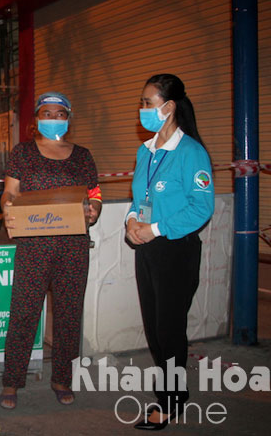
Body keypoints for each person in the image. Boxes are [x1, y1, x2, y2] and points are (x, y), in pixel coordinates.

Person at [0, 92, 102, 409]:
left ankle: (62, 379)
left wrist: (95, 209)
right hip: (33, 246)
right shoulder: (23, 153)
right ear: (37, 118)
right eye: (46, 112)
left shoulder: (82, 156)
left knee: (69, 314)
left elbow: (95, 193)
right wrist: (8, 210)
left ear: (68, 118)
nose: (53, 118)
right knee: (24, 313)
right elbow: (9, 193)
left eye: (59, 113)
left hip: (72, 246)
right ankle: (12, 381)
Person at [126, 74, 214, 430]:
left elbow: (200, 208)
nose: (142, 109)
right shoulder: (145, 151)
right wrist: (134, 221)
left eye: (148, 103)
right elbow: (140, 197)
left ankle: (172, 401)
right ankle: (171, 387)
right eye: (142, 102)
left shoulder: (191, 152)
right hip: (147, 248)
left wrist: (155, 229)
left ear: (169, 107)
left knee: (169, 329)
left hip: (176, 250)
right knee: (153, 327)